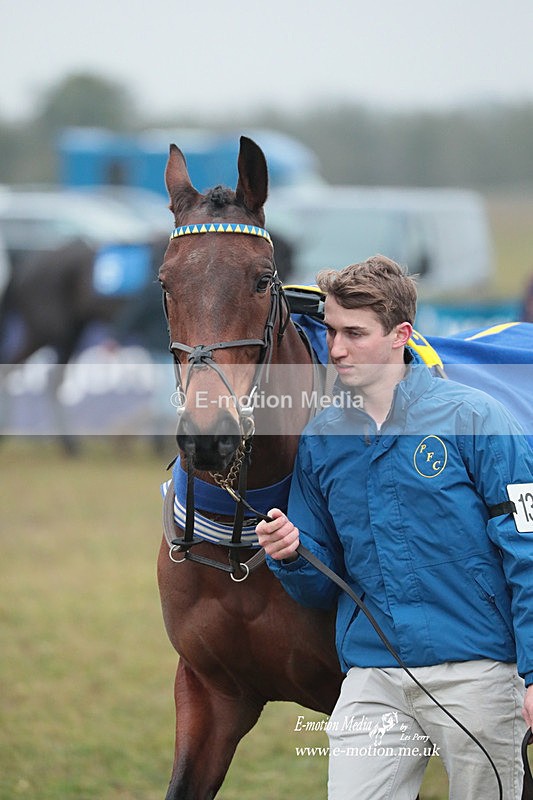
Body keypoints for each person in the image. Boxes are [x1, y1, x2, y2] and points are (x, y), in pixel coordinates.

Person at [256, 255, 533, 800]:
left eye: (355, 334)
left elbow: (527, 549)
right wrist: (291, 553)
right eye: (331, 331)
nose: (336, 349)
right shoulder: (320, 440)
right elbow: (319, 584)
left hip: (477, 672)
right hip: (373, 676)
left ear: (400, 336)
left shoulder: (477, 418)